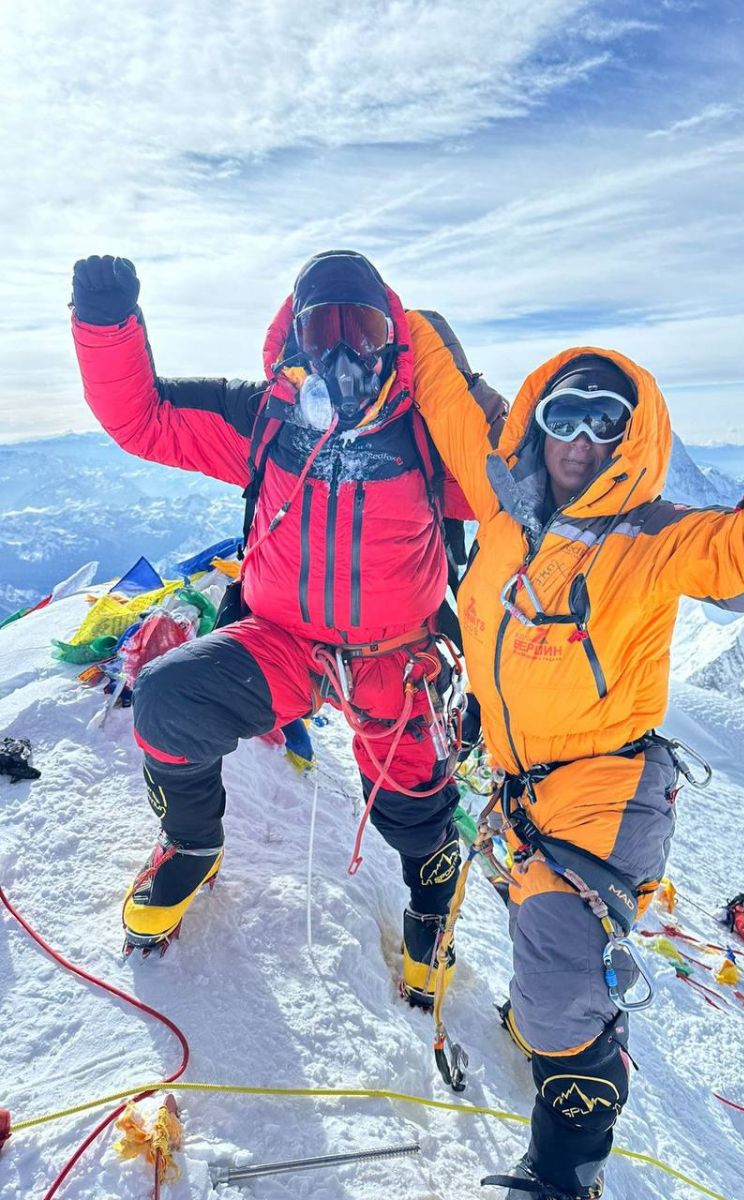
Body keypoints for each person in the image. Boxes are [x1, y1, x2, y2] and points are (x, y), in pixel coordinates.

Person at [413, 348, 744, 1198]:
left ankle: (565, 1170)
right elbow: (446, 388)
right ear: (535, 426)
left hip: (607, 789)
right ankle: (549, 1020)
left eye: (609, 422)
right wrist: (372, 308)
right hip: (519, 781)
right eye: (566, 415)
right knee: (536, 930)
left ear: (634, 441)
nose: (584, 439)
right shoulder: (503, 516)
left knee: (557, 965)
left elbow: (740, 550)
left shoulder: (649, 538)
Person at [70, 250, 506, 1008]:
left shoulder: (434, 433)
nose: (342, 352)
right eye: (321, 329)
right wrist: (107, 327)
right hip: (283, 641)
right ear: (295, 342)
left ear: (393, 343)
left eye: (362, 329)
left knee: (418, 807)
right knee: (169, 700)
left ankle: (431, 911)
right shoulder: (265, 418)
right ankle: (193, 844)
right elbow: (145, 420)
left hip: (392, 657)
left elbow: (522, 487)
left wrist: (452, 381)